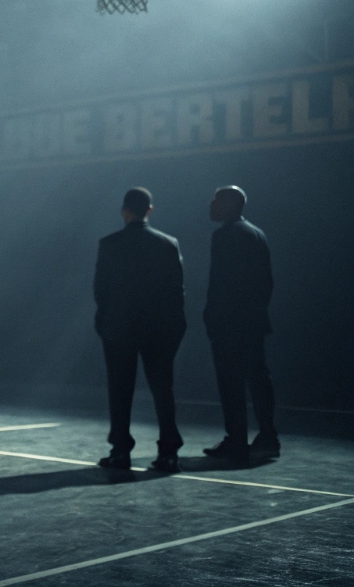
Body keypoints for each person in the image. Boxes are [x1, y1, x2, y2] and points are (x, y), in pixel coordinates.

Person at [92, 187, 185, 472]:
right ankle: (169, 451)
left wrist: (105, 323)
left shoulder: (109, 244)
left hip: (119, 328)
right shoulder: (168, 244)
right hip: (158, 329)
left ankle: (121, 450)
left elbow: (101, 290)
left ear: (125, 211)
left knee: (120, 390)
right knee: (162, 391)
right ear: (149, 210)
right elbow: (176, 292)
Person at [202, 186, 277, 463]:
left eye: (217, 201)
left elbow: (221, 283)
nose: (211, 205)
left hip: (229, 322)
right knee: (258, 379)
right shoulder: (256, 234)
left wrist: (212, 316)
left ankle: (236, 439)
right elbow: (266, 282)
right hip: (253, 321)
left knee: (230, 383)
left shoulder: (224, 236)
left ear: (230, 205)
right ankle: (268, 436)